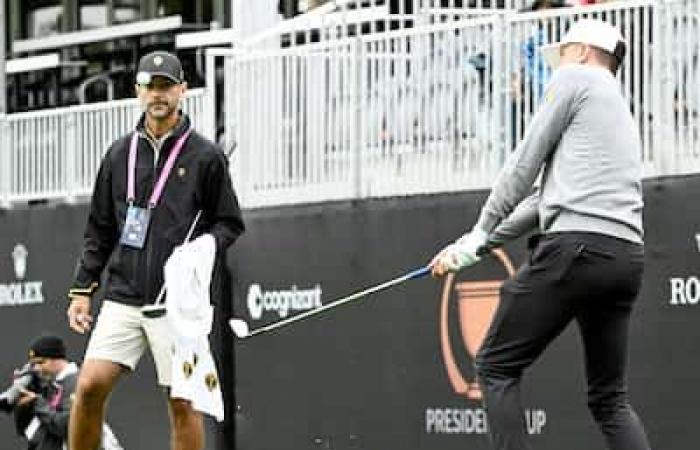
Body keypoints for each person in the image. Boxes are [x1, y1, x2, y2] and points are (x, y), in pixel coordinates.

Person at [430, 19, 651, 450]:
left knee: (495, 366)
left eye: (563, 53)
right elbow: (541, 202)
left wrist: (481, 228)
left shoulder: (576, 78)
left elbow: (524, 162)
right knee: (610, 400)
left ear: (584, 51)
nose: (556, 66)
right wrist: (474, 246)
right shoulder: (616, 107)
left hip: (576, 251)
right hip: (625, 259)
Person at [66, 50, 245, 450]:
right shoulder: (118, 154)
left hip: (178, 302)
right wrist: (82, 289)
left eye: (166, 87)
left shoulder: (206, 156)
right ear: (137, 92)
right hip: (124, 294)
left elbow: (229, 223)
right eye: (150, 87)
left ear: (182, 90)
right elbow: (100, 228)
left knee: (183, 402)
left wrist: (203, 248)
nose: (157, 95)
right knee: (90, 385)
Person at [12, 335, 122, 450]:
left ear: (57, 359)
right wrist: (22, 402)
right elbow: (23, 429)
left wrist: (37, 402)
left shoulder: (77, 382)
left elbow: (68, 426)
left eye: (41, 362)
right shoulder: (46, 385)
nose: (37, 369)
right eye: (33, 365)